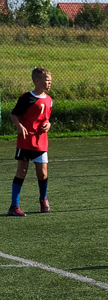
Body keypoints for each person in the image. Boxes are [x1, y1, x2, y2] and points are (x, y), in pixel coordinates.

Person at [8, 67, 53, 217]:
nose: (49, 83)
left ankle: (43, 199)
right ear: (37, 81)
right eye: (47, 80)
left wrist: (49, 125)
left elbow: (46, 119)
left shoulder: (49, 100)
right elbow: (14, 115)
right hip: (26, 141)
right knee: (22, 171)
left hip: (41, 141)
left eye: (50, 81)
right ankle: (14, 206)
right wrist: (19, 126)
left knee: (42, 173)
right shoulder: (27, 98)